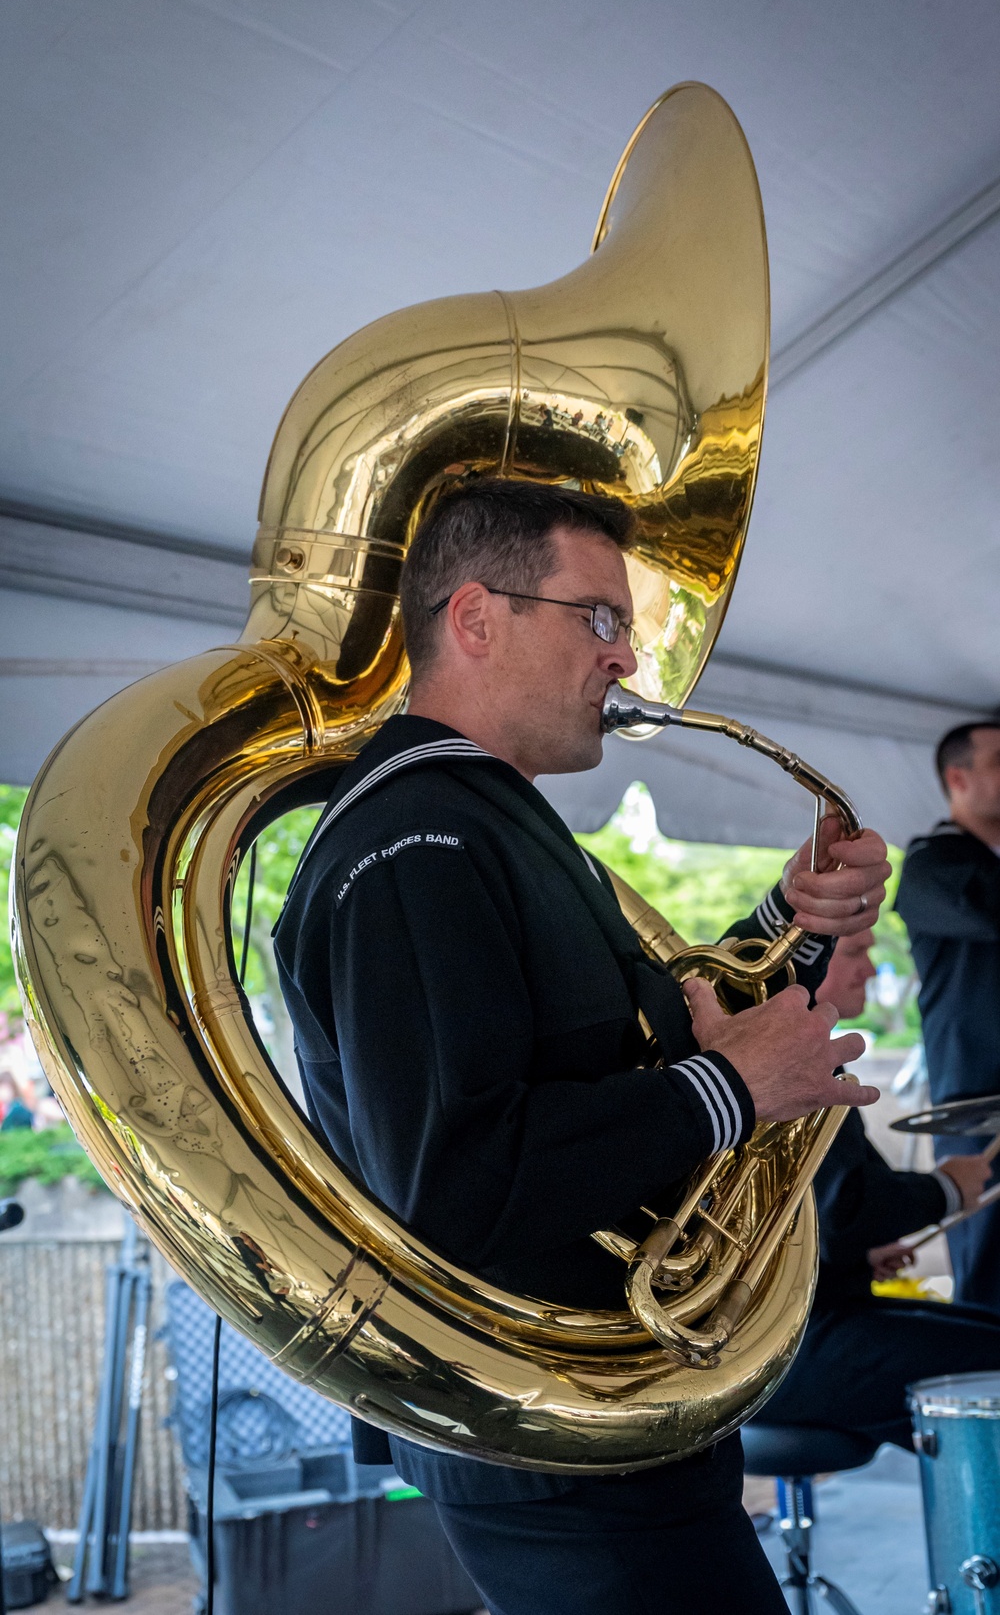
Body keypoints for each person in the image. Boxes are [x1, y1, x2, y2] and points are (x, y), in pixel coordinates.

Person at [274, 478, 890, 1615]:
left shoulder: (476, 817)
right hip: (556, 1454)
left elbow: (635, 1031)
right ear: (474, 617)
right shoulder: (419, 837)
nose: (627, 660)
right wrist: (731, 1087)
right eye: (600, 618)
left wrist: (790, 926)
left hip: (594, 1440)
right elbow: (459, 1181)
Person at [753, 929, 1000, 1451]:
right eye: (856, 952)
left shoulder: (795, 1059)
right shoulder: (794, 1067)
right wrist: (945, 1190)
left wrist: (855, 1254)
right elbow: (850, 1206)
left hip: (808, 1323)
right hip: (782, 1351)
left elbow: (819, 1218)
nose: (869, 968)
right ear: (805, 965)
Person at [896, 720, 1000, 1311]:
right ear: (957, 779)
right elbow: (987, 905)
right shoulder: (932, 863)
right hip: (978, 1102)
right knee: (990, 1271)